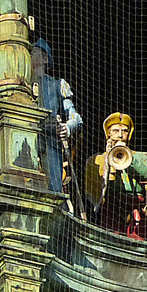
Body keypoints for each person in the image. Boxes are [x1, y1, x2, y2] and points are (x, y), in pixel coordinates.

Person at [83, 111, 147, 240]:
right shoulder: (96, 160)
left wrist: (131, 159)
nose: (120, 135)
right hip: (112, 205)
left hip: (136, 204)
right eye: (115, 131)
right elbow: (92, 190)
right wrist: (107, 160)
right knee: (111, 240)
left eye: (124, 131)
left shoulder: (141, 156)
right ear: (108, 134)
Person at [33, 40, 83, 198]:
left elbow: (76, 117)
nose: (29, 54)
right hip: (29, 137)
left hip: (50, 141)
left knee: (54, 190)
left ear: (45, 59)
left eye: (34, 51)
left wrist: (66, 127)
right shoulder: (23, 81)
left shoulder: (57, 84)